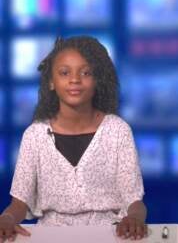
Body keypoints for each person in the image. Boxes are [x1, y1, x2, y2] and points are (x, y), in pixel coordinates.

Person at [0, 36, 147, 241]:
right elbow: (19, 203)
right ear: (51, 81)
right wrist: (6, 219)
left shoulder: (117, 131)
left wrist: (134, 218)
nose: (75, 79)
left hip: (109, 235)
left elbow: (134, 201)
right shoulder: (34, 135)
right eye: (64, 72)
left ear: (97, 79)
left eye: (85, 73)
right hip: (50, 237)